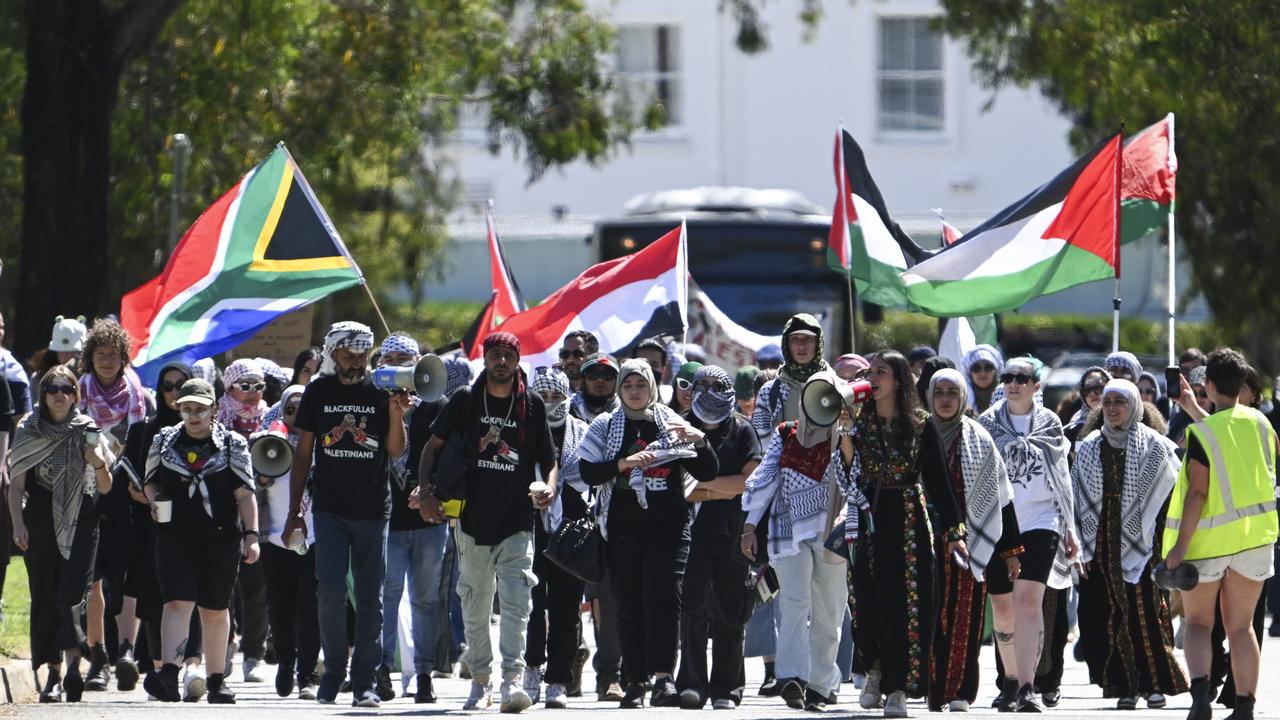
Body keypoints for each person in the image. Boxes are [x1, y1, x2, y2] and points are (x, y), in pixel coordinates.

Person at [413, 332, 557, 713]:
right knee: (474, 606)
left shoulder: (533, 405)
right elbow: (433, 447)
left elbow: (550, 458)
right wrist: (426, 491)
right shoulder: (464, 401)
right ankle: (480, 680)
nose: (501, 362)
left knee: (517, 604)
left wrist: (549, 487)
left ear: (517, 360)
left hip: (517, 521)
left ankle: (511, 681)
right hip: (471, 519)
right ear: (486, 358)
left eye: (508, 355)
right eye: (494, 354)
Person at [282, 321, 409, 708]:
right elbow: (303, 454)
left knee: (371, 599)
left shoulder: (382, 388)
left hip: (373, 510)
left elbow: (396, 451)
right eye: (347, 354)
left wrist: (396, 413)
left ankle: (366, 680)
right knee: (330, 593)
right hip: (330, 508)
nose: (355, 362)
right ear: (332, 353)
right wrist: (294, 512)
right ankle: (334, 672)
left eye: (361, 354)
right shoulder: (318, 391)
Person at [579, 359, 719, 708]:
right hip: (624, 529)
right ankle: (635, 681)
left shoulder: (672, 423)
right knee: (628, 604)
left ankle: (662, 678)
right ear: (619, 389)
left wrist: (701, 441)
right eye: (628, 386)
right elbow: (587, 472)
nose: (635, 392)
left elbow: (707, 470)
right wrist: (621, 465)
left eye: (641, 385)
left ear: (653, 387)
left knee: (665, 599)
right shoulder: (606, 424)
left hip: (669, 526)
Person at [1163, 348, 1277, 720]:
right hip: (1256, 539)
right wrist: (1192, 408)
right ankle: (1245, 706)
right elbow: (1231, 445)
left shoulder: (1201, 434)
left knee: (1198, 623)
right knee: (1242, 627)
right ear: (1244, 384)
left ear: (1208, 384)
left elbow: (1199, 491)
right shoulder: (1262, 424)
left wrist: (1178, 549)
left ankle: (1200, 701)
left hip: (1208, 543)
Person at [851, 351, 964, 718]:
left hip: (908, 521)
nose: (873, 378)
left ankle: (898, 688)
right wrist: (841, 429)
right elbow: (846, 468)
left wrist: (953, 529)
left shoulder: (920, 422)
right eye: (870, 372)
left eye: (880, 372)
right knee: (866, 600)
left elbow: (938, 480)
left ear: (898, 380)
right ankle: (876, 666)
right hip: (867, 517)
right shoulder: (858, 419)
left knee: (908, 604)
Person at [740, 369, 858, 712]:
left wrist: (847, 429)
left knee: (830, 609)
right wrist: (749, 526)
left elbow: (856, 477)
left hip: (832, 533)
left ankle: (822, 683)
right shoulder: (785, 433)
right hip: (787, 529)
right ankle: (792, 677)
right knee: (794, 601)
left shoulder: (849, 436)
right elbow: (766, 477)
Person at [139, 378, 259, 704]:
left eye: (200, 409)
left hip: (220, 537)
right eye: (186, 408)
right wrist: (153, 502)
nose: (193, 416)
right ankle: (169, 673)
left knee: (215, 609)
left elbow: (245, 493)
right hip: (174, 534)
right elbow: (149, 482)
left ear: (214, 410)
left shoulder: (232, 443)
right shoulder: (164, 440)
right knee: (176, 602)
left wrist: (252, 535)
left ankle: (217, 680)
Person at [1073, 379, 1187, 709]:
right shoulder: (1090, 445)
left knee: (1148, 610)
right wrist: (1083, 545)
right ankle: (1125, 685)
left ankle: (1155, 683)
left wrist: (1164, 542)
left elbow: (1171, 497)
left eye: (1119, 401)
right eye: (1107, 402)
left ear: (1134, 404)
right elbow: (1078, 500)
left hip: (1147, 540)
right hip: (1103, 540)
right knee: (1113, 612)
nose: (1111, 408)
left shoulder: (1156, 446)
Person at [979, 355, 1078, 713]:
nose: (1014, 383)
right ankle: (1009, 678)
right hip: (999, 523)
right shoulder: (987, 424)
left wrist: (1069, 527)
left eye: (1023, 377)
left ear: (1037, 385)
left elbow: (1061, 477)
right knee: (1003, 608)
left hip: (1041, 520)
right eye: (1008, 377)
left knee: (1028, 601)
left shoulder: (1050, 422)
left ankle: (1027, 687)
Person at [7, 366, 112, 702]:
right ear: (43, 392)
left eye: (67, 388)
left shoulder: (87, 430)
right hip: (37, 518)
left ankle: (74, 665)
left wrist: (96, 462)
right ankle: (53, 672)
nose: (60, 394)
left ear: (75, 394)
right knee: (45, 594)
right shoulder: (29, 428)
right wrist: (17, 523)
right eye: (52, 387)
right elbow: (16, 485)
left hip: (81, 518)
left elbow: (106, 487)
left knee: (73, 595)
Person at [925, 369, 1022, 712]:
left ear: (963, 397)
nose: (946, 399)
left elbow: (1002, 497)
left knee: (965, 617)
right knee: (929, 615)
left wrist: (1010, 552)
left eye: (953, 392)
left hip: (969, 543)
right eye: (940, 392)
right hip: (923, 540)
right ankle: (932, 690)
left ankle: (960, 692)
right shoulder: (919, 434)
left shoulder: (979, 438)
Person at [677, 365, 762, 710]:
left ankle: (727, 687)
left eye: (718, 385)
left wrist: (706, 486)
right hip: (690, 532)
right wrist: (721, 487)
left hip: (732, 531)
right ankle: (692, 683)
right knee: (693, 608)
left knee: (731, 609)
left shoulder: (742, 429)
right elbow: (680, 488)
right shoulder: (681, 426)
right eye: (703, 385)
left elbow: (747, 483)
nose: (709, 391)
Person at [374, 333, 449, 704]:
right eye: (392, 359)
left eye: (408, 359)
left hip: (428, 522)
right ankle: (382, 671)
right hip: (387, 520)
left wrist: (432, 489)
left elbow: (449, 457)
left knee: (424, 599)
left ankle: (423, 674)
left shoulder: (437, 404)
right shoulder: (374, 403)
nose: (401, 366)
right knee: (385, 597)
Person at [77, 317, 148, 691]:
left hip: (129, 495)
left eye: (114, 355)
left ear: (124, 359)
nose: (107, 361)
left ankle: (127, 651)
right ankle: (97, 655)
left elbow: (142, 445)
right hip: (88, 495)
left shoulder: (138, 393)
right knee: (95, 579)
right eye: (100, 354)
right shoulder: (78, 392)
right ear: (90, 357)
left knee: (129, 573)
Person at [523, 367, 589, 709]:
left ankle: (559, 679)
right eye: (543, 396)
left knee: (567, 608)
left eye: (557, 397)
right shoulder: (523, 431)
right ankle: (532, 667)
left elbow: (591, 478)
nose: (550, 403)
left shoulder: (583, 431)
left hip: (570, 531)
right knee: (530, 606)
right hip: (528, 528)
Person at [257, 383, 319, 699]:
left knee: (310, 606)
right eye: (291, 409)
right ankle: (285, 662)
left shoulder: (323, 443)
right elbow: (252, 488)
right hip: (275, 538)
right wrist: (261, 475)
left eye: (304, 409)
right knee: (280, 606)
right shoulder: (268, 441)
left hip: (315, 537)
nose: (298, 416)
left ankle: (306, 674)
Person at [218, 358, 270, 682]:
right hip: (224, 513)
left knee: (256, 588)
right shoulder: (218, 417)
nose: (252, 393)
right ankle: (223, 648)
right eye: (245, 385)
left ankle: (254, 655)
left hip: (263, 513)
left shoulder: (272, 416)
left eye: (259, 386)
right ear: (229, 387)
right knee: (223, 588)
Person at [751, 314, 831, 440]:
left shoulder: (836, 386)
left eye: (808, 339)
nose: (801, 346)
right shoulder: (769, 392)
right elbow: (761, 442)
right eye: (795, 339)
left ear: (818, 342)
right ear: (786, 344)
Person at [1064, 367, 1111, 445]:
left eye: (1099, 387)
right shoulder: (1074, 429)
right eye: (1087, 390)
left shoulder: (1122, 423)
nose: (1092, 393)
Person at [570, 352, 620, 423]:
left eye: (608, 375)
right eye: (593, 375)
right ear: (583, 380)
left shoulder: (626, 411)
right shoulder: (569, 409)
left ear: (617, 381)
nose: (600, 380)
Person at [961, 344, 1004, 415]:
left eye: (988, 367)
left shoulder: (1008, 399)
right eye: (976, 368)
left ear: (995, 371)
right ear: (969, 373)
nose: (983, 373)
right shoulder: (961, 402)